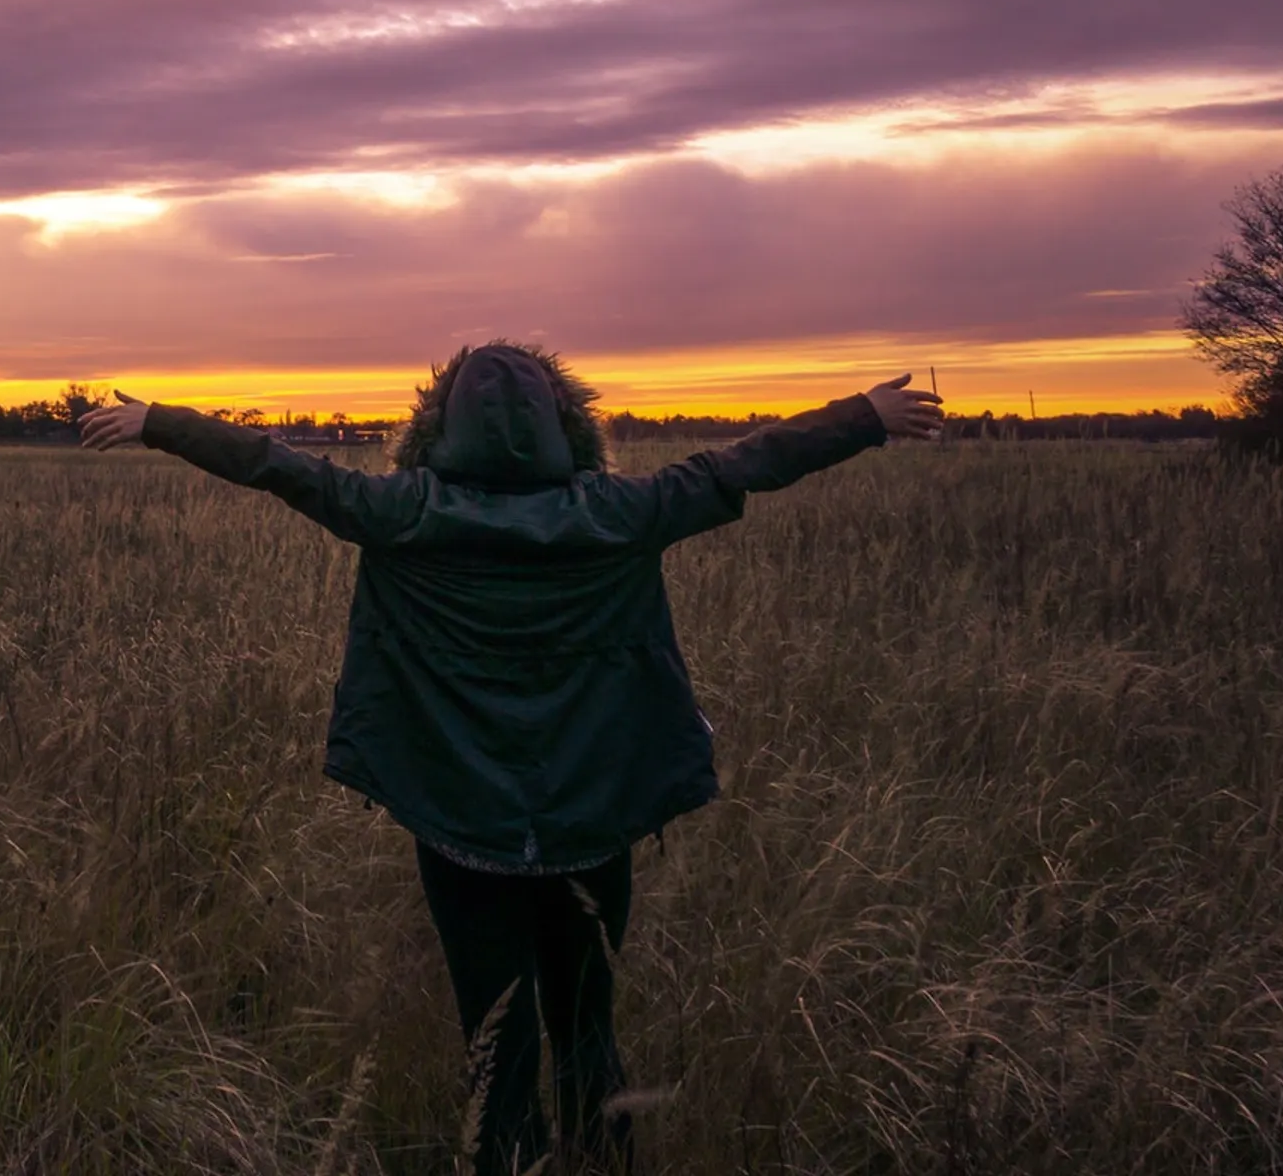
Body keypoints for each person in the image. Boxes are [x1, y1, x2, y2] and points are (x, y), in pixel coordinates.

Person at [79, 344, 942, 1174]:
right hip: (593, 825)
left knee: (496, 1043)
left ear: (438, 426)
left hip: (462, 830)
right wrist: (865, 415)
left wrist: (157, 420)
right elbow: (746, 463)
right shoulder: (621, 513)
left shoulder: (403, 512)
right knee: (587, 1028)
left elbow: (276, 465)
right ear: (567, 425)